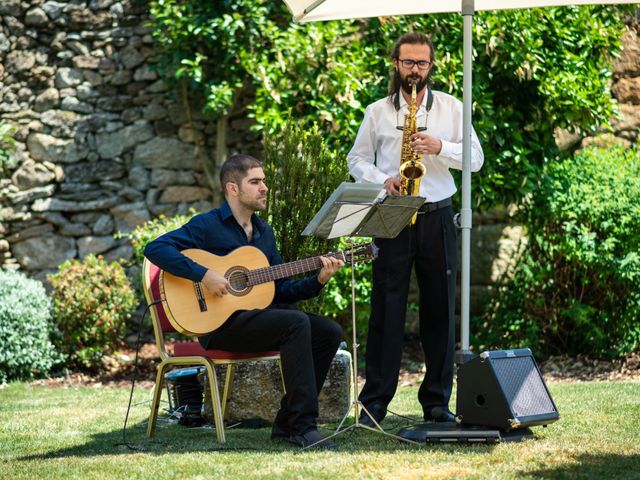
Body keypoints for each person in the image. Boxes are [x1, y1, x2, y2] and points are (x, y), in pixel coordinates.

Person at [144, 154, 344, 449]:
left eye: (264, 181)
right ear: (233, 188)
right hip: (219, 325)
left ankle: (287, 423)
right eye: (255, 181)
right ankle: (304, 426)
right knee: (296, 322)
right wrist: (204, 275)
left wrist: (318, 280)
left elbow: (280, 290)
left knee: (329, 332)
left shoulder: (265, 233)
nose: (264, 187)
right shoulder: (207, 225)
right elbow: (156, 248)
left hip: (256, 320)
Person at [347, 32, 484, 426]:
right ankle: (374, 402)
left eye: (422, 64)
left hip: (438, 214)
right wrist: (381, 180)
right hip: (392, 211)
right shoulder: (377, 112)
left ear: (431, 66)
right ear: (396, 64)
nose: (415, 71)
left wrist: (441, 146)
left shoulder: (452, 109)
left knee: (440, 309)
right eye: (408, 63)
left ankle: (437, 402)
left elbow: (474, 159)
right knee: (386, 310)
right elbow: (356, 159)